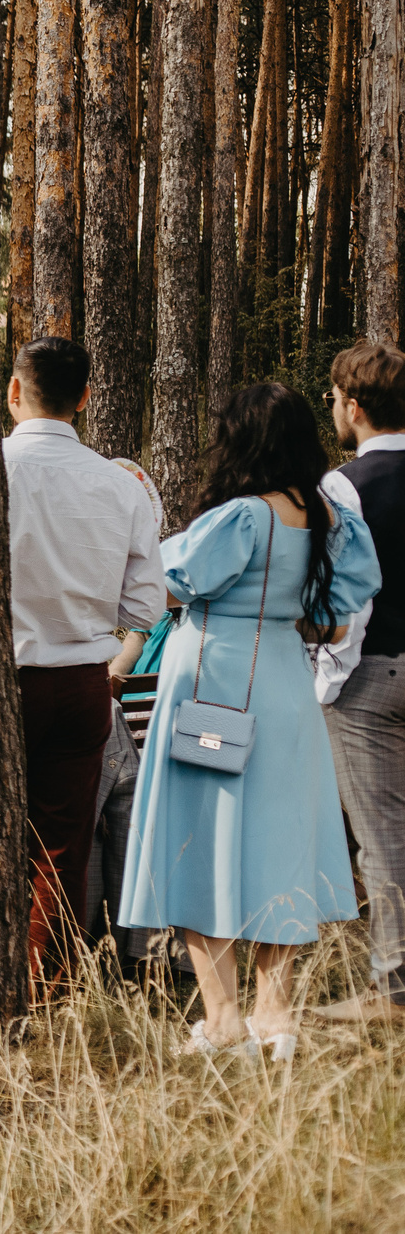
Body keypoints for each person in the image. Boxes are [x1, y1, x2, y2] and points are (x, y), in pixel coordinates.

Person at [120, 382, 380, 1060]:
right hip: (286, 685)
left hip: (212, 684)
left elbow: (164, 587)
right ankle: (276, 1018)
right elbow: (336, 622)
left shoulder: (238, 516)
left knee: (199, 842)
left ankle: (224, 1020)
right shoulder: (328, 519)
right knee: (278, 844)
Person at [0, 335, 165, 982]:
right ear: (86, 397)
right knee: (61, 845)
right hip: (82, 684)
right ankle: (48, 985)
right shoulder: (119, 485)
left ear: (14, 390)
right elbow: (145, 605)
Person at [311, 342, 405, 1025]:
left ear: (354, 404)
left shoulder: (343, 487)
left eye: (334, 399)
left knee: (382, 833)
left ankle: (395, 987)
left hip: (369, 676)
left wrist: (326, 677)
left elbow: (338, 596)